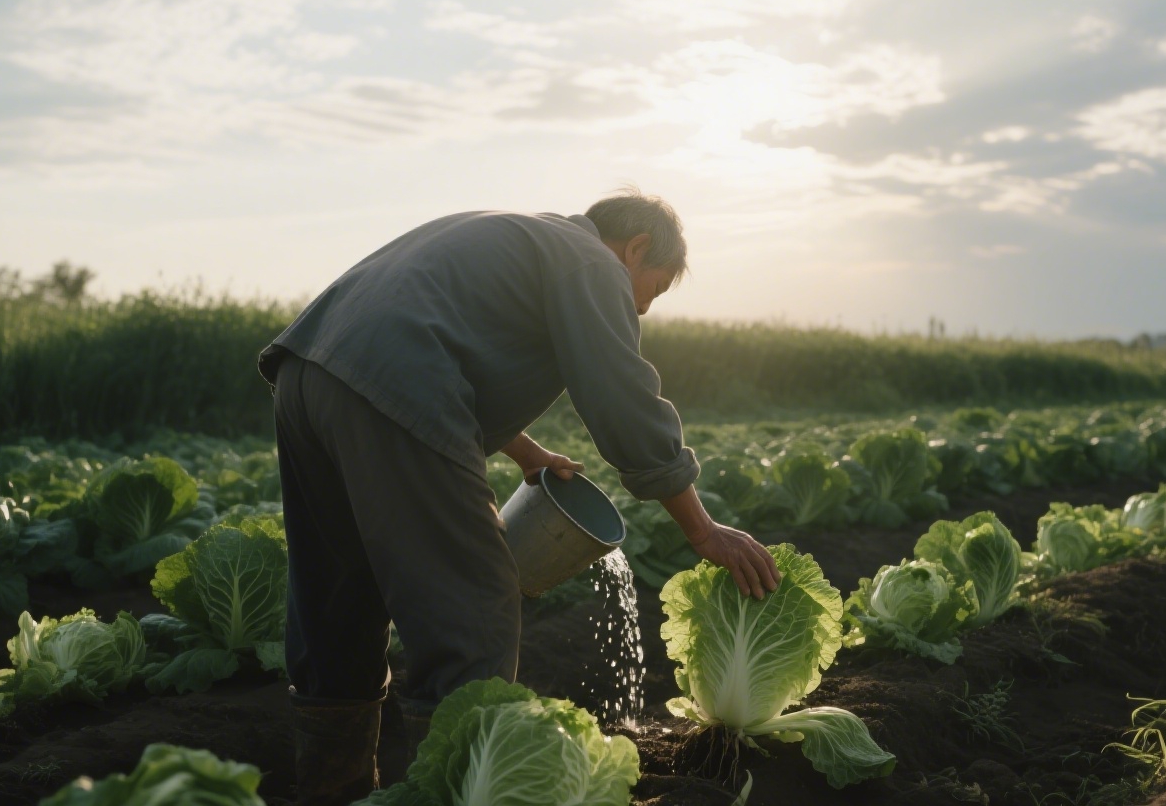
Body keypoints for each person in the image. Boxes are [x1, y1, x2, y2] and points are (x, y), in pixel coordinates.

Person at [256, 189, 781, 804]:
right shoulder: (592, 262)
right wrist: (701, 529)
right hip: (394, 385)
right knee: (472, 605)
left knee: (339, 595)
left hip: (307, 373)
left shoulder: (523, 236)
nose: (641, 308)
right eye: (655, 289)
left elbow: (446, 340)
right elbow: (622, 400)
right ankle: (459, 793)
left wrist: (528, 453)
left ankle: (330, 791)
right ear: (637, 248)